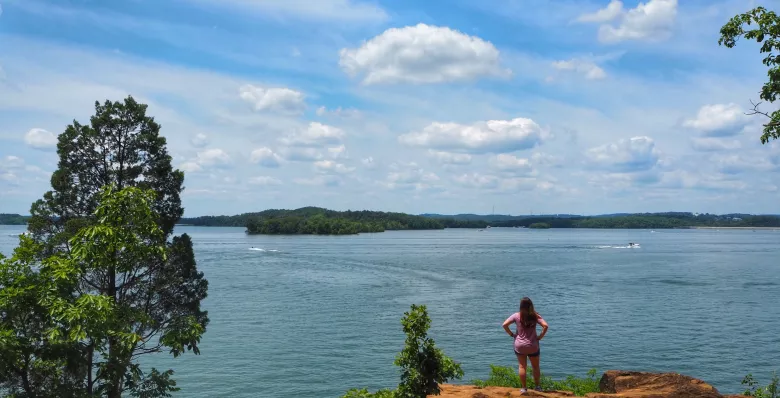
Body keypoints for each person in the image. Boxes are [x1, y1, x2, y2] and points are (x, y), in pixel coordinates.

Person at [502, 297, 548, 394]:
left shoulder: (516, 316)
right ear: (531, 305)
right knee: (535, 367)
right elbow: (545, 326)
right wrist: (540, 337)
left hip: (520, 346)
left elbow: (504, 325)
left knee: (522, 366)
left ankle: (524, 389)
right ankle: (537, 387)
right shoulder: (535, 316)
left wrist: (512, 335)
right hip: (533, 346)